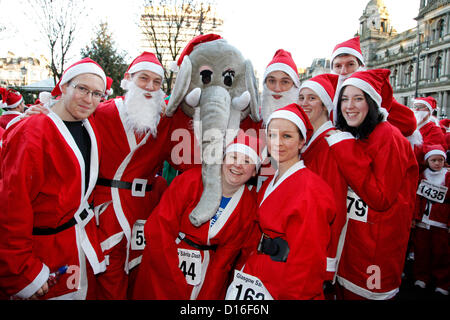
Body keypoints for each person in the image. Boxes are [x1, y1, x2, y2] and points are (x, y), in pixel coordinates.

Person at [0, 58, 107, 300]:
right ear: (64, 86)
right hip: (42, 252)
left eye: (97, 94)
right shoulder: (32, 132)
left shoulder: (90, 126)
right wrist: (22, 270)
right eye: (82, 89)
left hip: (75, 244)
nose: (89, 99)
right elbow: (11, 206)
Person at [91, 51, 195, 299]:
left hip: (145, 210)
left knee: (139, 274)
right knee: (110, 276)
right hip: (109, 209)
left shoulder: (165, 120)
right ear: (128, 79)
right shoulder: (101, 112)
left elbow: (186, 159)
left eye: (156, 82)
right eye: (143, 79)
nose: (150, 87)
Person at [325, 69, 419, 300]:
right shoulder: (359, 132)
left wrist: (345, 149)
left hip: (374, 249)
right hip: (354, 243)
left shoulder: (388, 136)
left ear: (372, 104)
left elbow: (380, 198)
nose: (349, 106)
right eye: (344, 99)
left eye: (358, 99)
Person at [132, 132, 260, 300]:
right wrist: (173, 277)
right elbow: (159, 228)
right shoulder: (191, 180)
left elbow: (225, 258)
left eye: (247, 161)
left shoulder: (248, 205)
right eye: (233, 156)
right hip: (165, 259)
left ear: (254, 173)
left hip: (206, 271)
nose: (238, 165)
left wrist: (208, 294)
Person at [227, 104, 336, 300]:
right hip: (257, 275)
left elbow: (307, 262)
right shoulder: (271, 181)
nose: (278, 143)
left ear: (302, 142)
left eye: (287, 136)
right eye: (273, 135)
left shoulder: (312, 190)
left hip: (285, 283)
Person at [298, 73, 348, 293]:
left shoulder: (330, 143)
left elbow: (334, 205)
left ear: (326, 105)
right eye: (301, 97)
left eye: (312, 98)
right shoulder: (309, 138)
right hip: (304, 236)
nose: (304, 103)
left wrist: (328, 259)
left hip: (317, 245)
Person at [330, 36, 417, 137]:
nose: (343, 72)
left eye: (350, 64)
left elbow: (408, 125)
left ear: (360, 66)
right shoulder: (323, 97)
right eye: (338, 66)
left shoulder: (376, 94)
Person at [240, 49, 301, 191]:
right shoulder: (250, 121)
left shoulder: (305, 127)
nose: (277, 88)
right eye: (271, 81)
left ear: (295, 86)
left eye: (285, 82)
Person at [413, 144, 449, 297]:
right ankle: (421, 277)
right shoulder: (422, 175)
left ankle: (442, 282)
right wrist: (415, 217)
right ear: (427, 161)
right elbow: (416, 198)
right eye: (434, 160)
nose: (437, 163)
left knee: (442, 253)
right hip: (423, 221)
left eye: (440, 160)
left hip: (440, 223)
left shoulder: (448, 176)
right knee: (422, 251)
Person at [410, 96, 447, 162]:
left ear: (429, 111)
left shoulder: (435, 130)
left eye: (420, 107)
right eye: (415, 107)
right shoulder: (409, 127)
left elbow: (428, 151)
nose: (417, 109)